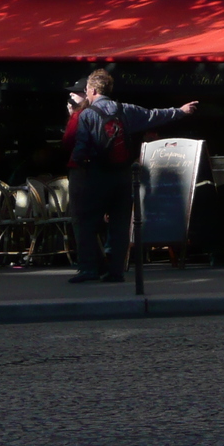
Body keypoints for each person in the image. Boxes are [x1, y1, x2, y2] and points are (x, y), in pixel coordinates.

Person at [66, 68, 197, 284]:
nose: (86, 92)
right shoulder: (125, 109)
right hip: (122, 175)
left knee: (87, 222)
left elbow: (81, 148)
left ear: (93, 89)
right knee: (119, 224)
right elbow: (154, 115)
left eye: (88, 89)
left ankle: (88, 269)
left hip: (96, 175)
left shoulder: (87, 115)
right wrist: (180, 111)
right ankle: (116, 271)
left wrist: (79, 166)